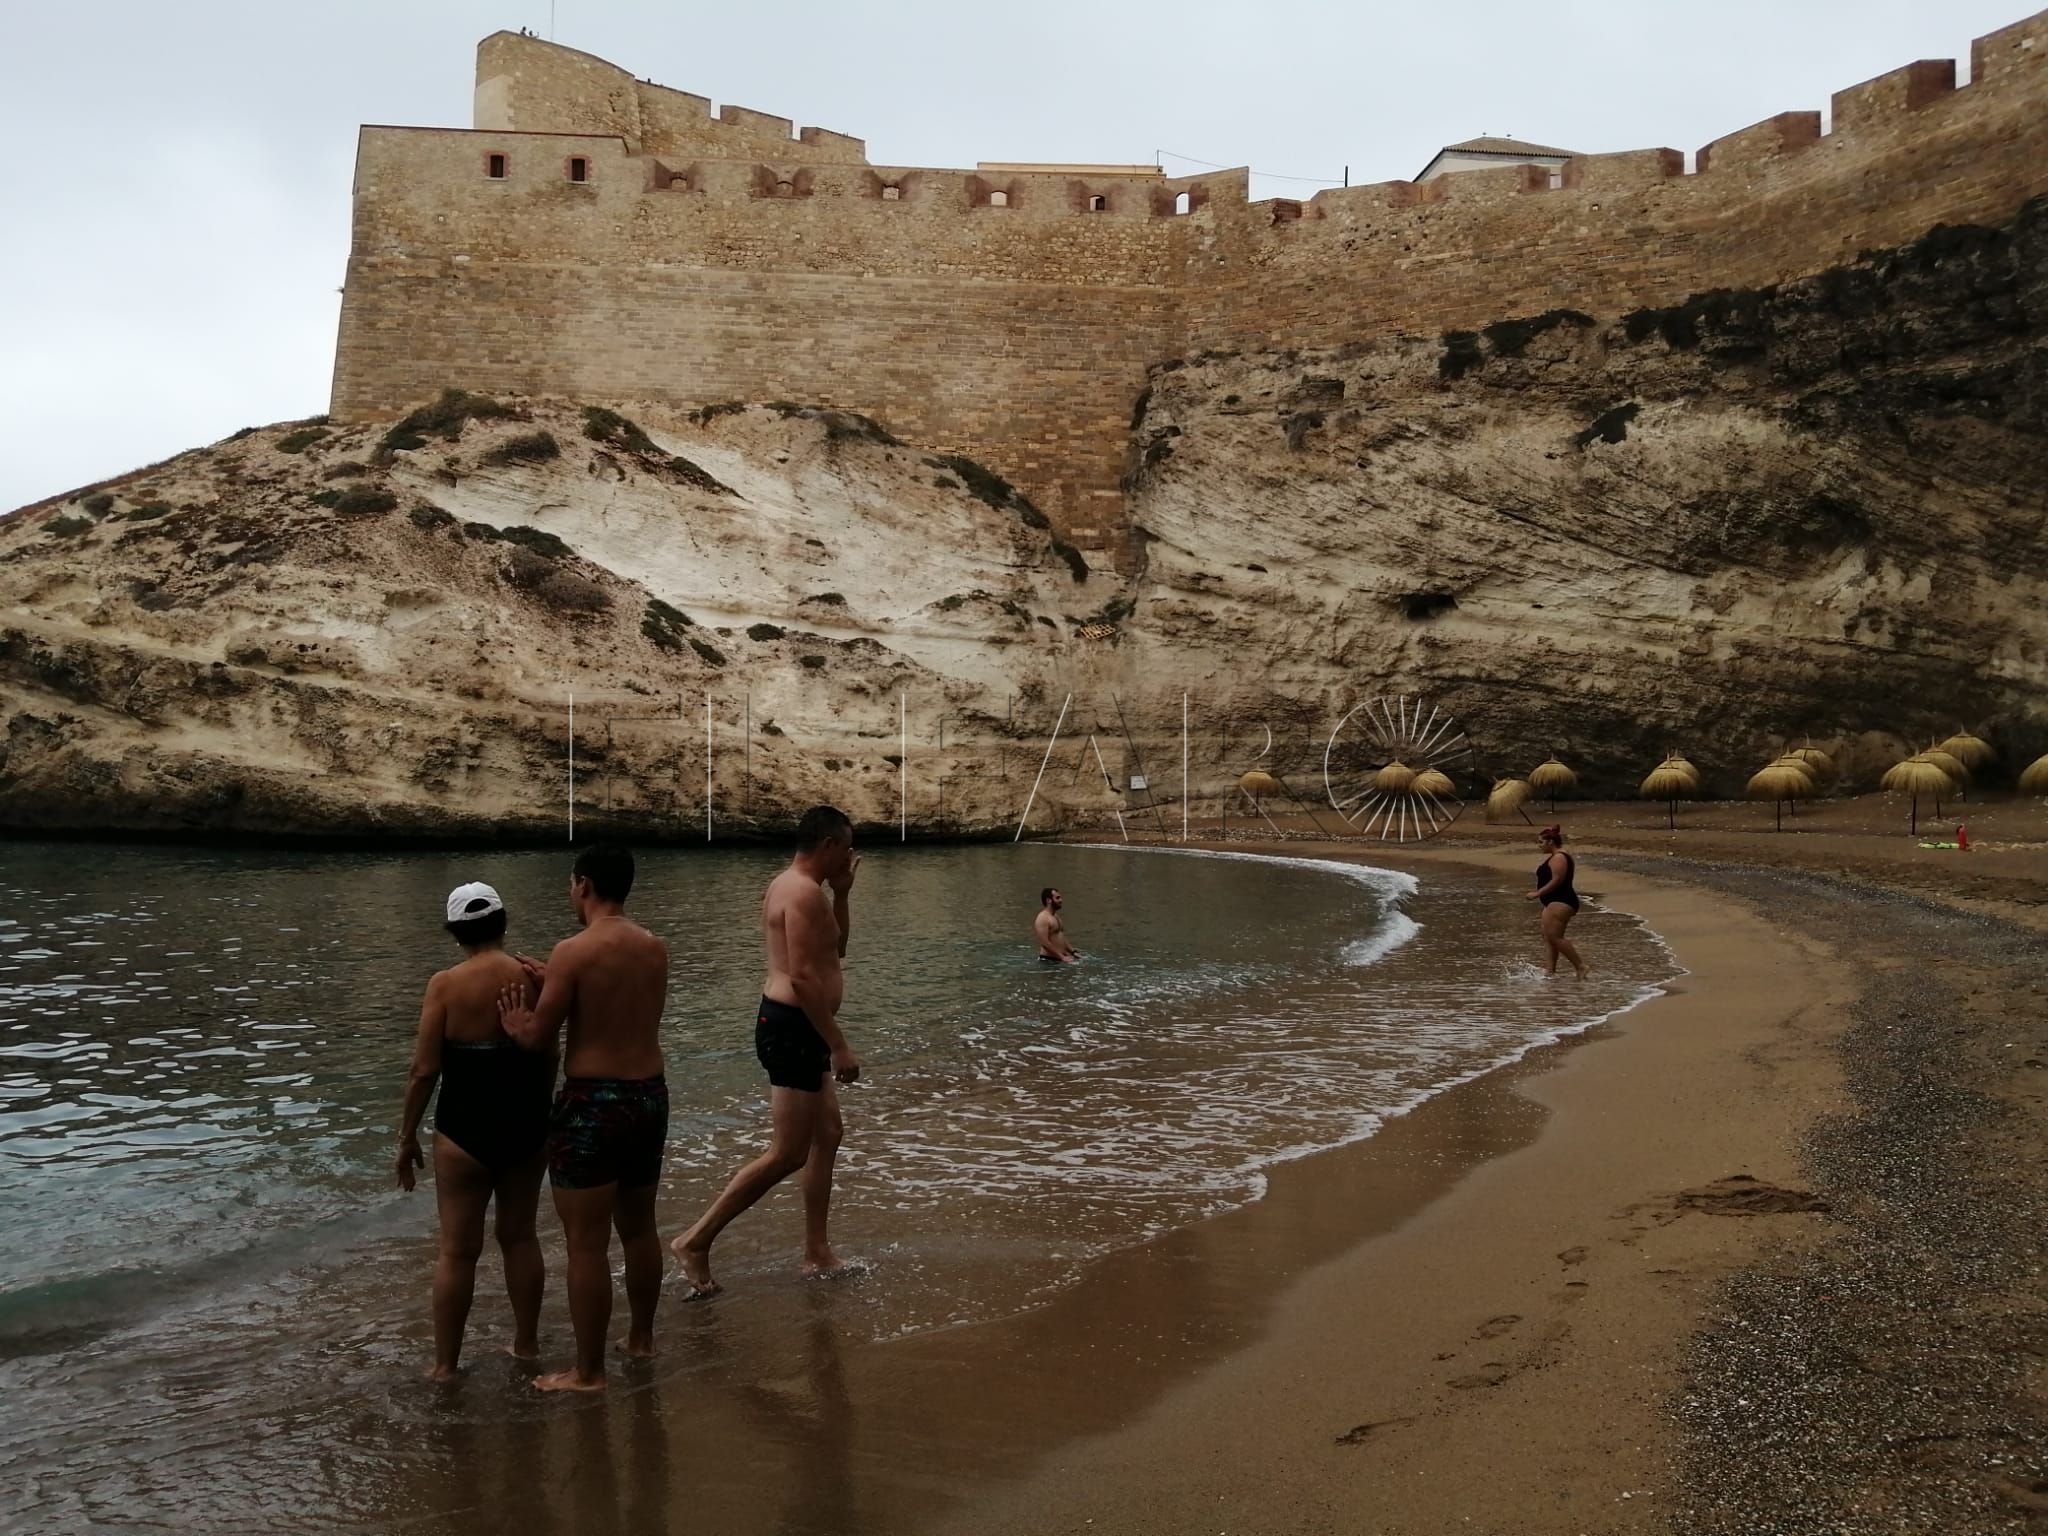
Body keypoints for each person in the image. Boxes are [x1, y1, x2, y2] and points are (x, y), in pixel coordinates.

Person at [496, 845, 670, 1394]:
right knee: (640, 1228)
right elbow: (619, 1007)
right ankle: (641, 1338)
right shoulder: (654, 947)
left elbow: (537, 1038)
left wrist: (517, 1020)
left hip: (593, 1104)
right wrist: (560, 981)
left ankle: (589, 1372)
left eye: (573, 885)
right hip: (649, 1096)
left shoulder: (573, 950)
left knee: (586, 1246)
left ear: (584, 885)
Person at [673, 805, 861, 1297]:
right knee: (788, 1153)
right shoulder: (798, 893)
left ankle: (817, 1252)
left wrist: (842, 895)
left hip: (803, 1027)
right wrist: (838, 1044)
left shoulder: (808, 890)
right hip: (795, 1027)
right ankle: (696, 1240)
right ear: (828, 846)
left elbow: (835, 950)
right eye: (846, 846)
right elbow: (801, 977)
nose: (850, 855)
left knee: (829, 1133)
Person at [394, 882, 553, 1380]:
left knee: (457, 1251)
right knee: (521, 1237)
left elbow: (425, 1070)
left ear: (456, 932)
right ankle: (525, 1346)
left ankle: (445, 1366)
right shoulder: (534, 977)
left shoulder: (445, 984)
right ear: (503, 924)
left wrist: (406, 1137)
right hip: (527, 1123)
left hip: (463, 1129)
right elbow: (551, 1052)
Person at [1525, 825, 1588, 979]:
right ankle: (1550, 971)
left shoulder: (1559, 857)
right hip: (1555, 902)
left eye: (1541, 842)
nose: (1539, 845)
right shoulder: (1556, 856)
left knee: (1554, 937)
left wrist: (1537, 893)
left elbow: (1557, 880)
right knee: (1548, 936)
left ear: (1550, 842)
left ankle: (1581, 966)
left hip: (1561, 901)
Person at [1034, 887, 1079, 963]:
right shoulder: (1042, 918)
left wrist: (1073, 952)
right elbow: (1044, 943)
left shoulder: (1055, 916)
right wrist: (1062, 957)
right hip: (1048, 962)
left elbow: (1061, 937)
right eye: (1057, 898)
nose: (1061, 900)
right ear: (1049, 900)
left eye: (1060, 897)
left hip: (1059, 959)